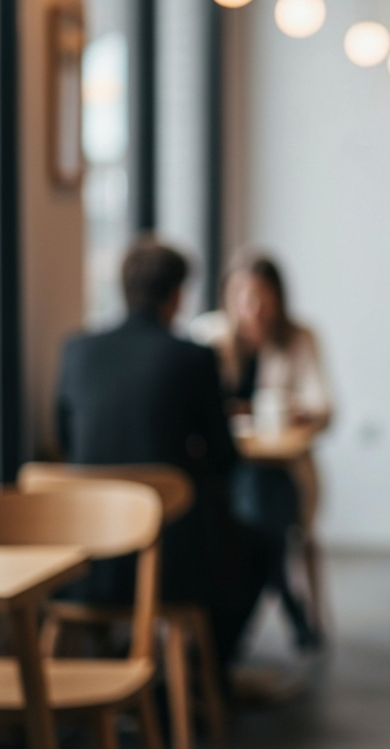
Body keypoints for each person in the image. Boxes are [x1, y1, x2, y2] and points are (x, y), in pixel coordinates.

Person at [55, 237, 270, 670]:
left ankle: (127, 662)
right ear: (177, 296)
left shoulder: (75, 352)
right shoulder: (191, 358)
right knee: (260, 543)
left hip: (82, 562)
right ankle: (208, 673)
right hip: (171, 567)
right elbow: (225, 459)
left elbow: (66, 443)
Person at [191, 253, 331, 648]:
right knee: (254, 513)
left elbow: (324, 407)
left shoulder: (299, 338)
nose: (251, 307)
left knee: (262, 501)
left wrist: (286, 412)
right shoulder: (207, 337)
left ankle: (230, 636)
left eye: (261, 296)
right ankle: (288, 599)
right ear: (226, 296)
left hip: (279, 468)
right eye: (241, 295)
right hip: (219, 470)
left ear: (278, 298)